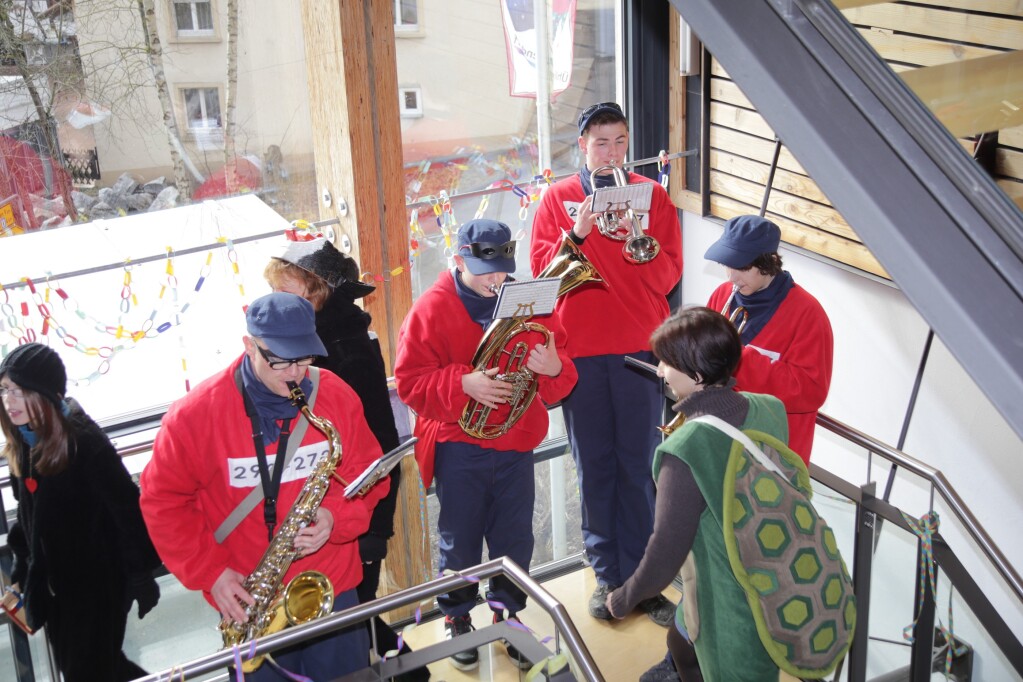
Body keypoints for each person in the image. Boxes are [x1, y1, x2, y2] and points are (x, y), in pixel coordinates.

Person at [140, 292, 388, 681]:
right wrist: (212, 573)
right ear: (249, 346)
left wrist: (334, 517)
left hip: (330, 584)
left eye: (304, 359)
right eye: (280, 361)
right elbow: (162, 502)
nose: (294, 374)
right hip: (251, 597)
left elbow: (371, 474)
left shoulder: (334, 394)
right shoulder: (195, 415)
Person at [394, 218, 577, 671]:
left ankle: (509, 614)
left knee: (515, 537)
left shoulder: (528, 300)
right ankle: (458, 619)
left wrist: (553, 367)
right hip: (461, 446)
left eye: (501, 271)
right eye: (483, 272)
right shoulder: (430, 309)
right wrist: (464, 383)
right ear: (458, 261)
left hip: (516, 443)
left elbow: (563, 370)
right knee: (459, 543)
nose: (495, 282)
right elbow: (410, 382)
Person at [529, 101, 683, 624]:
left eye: (620, 142)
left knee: (639, 467)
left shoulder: (653, 196)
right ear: (582, 146)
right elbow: (541, 283)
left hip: (641, 348)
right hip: (581, 354)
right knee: (593, 466)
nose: (612, 152)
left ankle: (644, 579)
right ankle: (606, 575)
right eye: (602, 143)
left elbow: (665, 279)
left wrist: (640, 230)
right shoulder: (557, 199)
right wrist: (579, 233)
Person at [264, 237, 429, 681]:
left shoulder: (336, 351)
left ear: (316, 294)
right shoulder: (331, 339)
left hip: (354, 507)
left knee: (349, 613)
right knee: (350, 611)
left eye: (288, 292)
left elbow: (370, 441)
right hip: (346, 505)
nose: (278, 302)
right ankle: (413, 673)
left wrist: (373, 525)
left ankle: (412, 674)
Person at [606, 306, 790, 682]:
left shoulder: (687, 446)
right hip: (772, 573)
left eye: (666, 363)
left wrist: (623, 599)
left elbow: (665, 551)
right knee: (681, 637)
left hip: (726, 599)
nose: (659, 371)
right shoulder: (772, 409)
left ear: (697, 374)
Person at [0, 343, 161, 682]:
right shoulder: (24, 441)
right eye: (4, 390)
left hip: (98, 587)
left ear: (46, 393)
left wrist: (140, 576)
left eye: (19, 391)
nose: (8, 401)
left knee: (87, 672)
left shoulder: (84, 443)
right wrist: (22, 567)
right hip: (56, 591)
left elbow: (128, 512)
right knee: (98, 669)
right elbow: (27, 520)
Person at [705, 214, 833, 462]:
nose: (731, 277)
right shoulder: (722, 295)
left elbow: (810, 390)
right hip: (724, 437)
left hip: (774, 454)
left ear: (769, 263)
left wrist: (737, 357)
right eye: (726, 265)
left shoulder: (808, 314)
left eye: (741, 267)